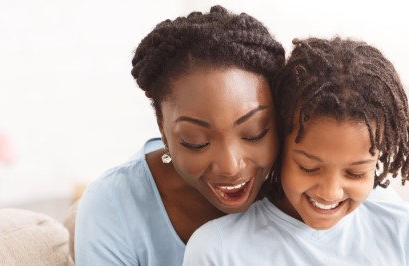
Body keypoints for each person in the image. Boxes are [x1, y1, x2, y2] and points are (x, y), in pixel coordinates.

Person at [182, 37, 409, 265]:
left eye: (355, 173)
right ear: (281, 149)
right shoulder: (217, 248)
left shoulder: (404, 230)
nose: (330, 192)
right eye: (309, 168)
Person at [74, 5, 286, 265]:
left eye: (254, 134)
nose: (230, 166)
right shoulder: (112, 207)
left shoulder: (307, 181)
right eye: (195, 142)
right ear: (161, 126)